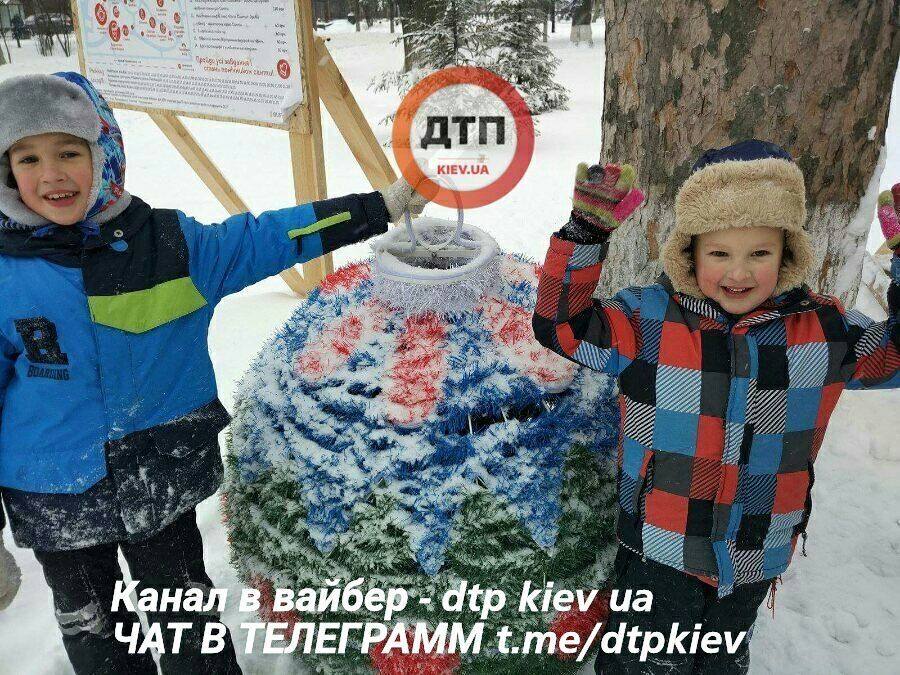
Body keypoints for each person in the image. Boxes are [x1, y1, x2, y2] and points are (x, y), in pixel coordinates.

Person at [0, 71, 427, 674]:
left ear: (106, 155)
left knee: (185, 618)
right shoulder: (4, 272)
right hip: (53, 490)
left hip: (161, 477)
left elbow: (269, 237)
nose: (51, 174)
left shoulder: (173, 246)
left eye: (70, 151)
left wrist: (374, 209)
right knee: (95, 631)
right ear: (6, 169)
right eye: (28, 157)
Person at [532, 139, 900, 674]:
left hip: (758, 547)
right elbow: (560, 326)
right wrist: (585, 234)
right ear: (690, 252)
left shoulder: (824, 333)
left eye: (760, 253)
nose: (740, 273)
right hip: (662, 544)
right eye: (720, 253)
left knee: (722, 658)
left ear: (787, 254)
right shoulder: (646, 322)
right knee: (643, 661)